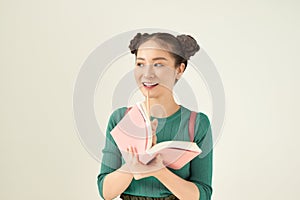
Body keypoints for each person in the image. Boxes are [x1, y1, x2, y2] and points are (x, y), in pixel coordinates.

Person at [97, 32, 213, 200]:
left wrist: (159, 171)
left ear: (179, 69)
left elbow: (203, 195)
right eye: (140, 64)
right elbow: (105, 192)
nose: (147, 74)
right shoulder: (120, 118)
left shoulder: (197, 123)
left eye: (158, 64)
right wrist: (134, 164)